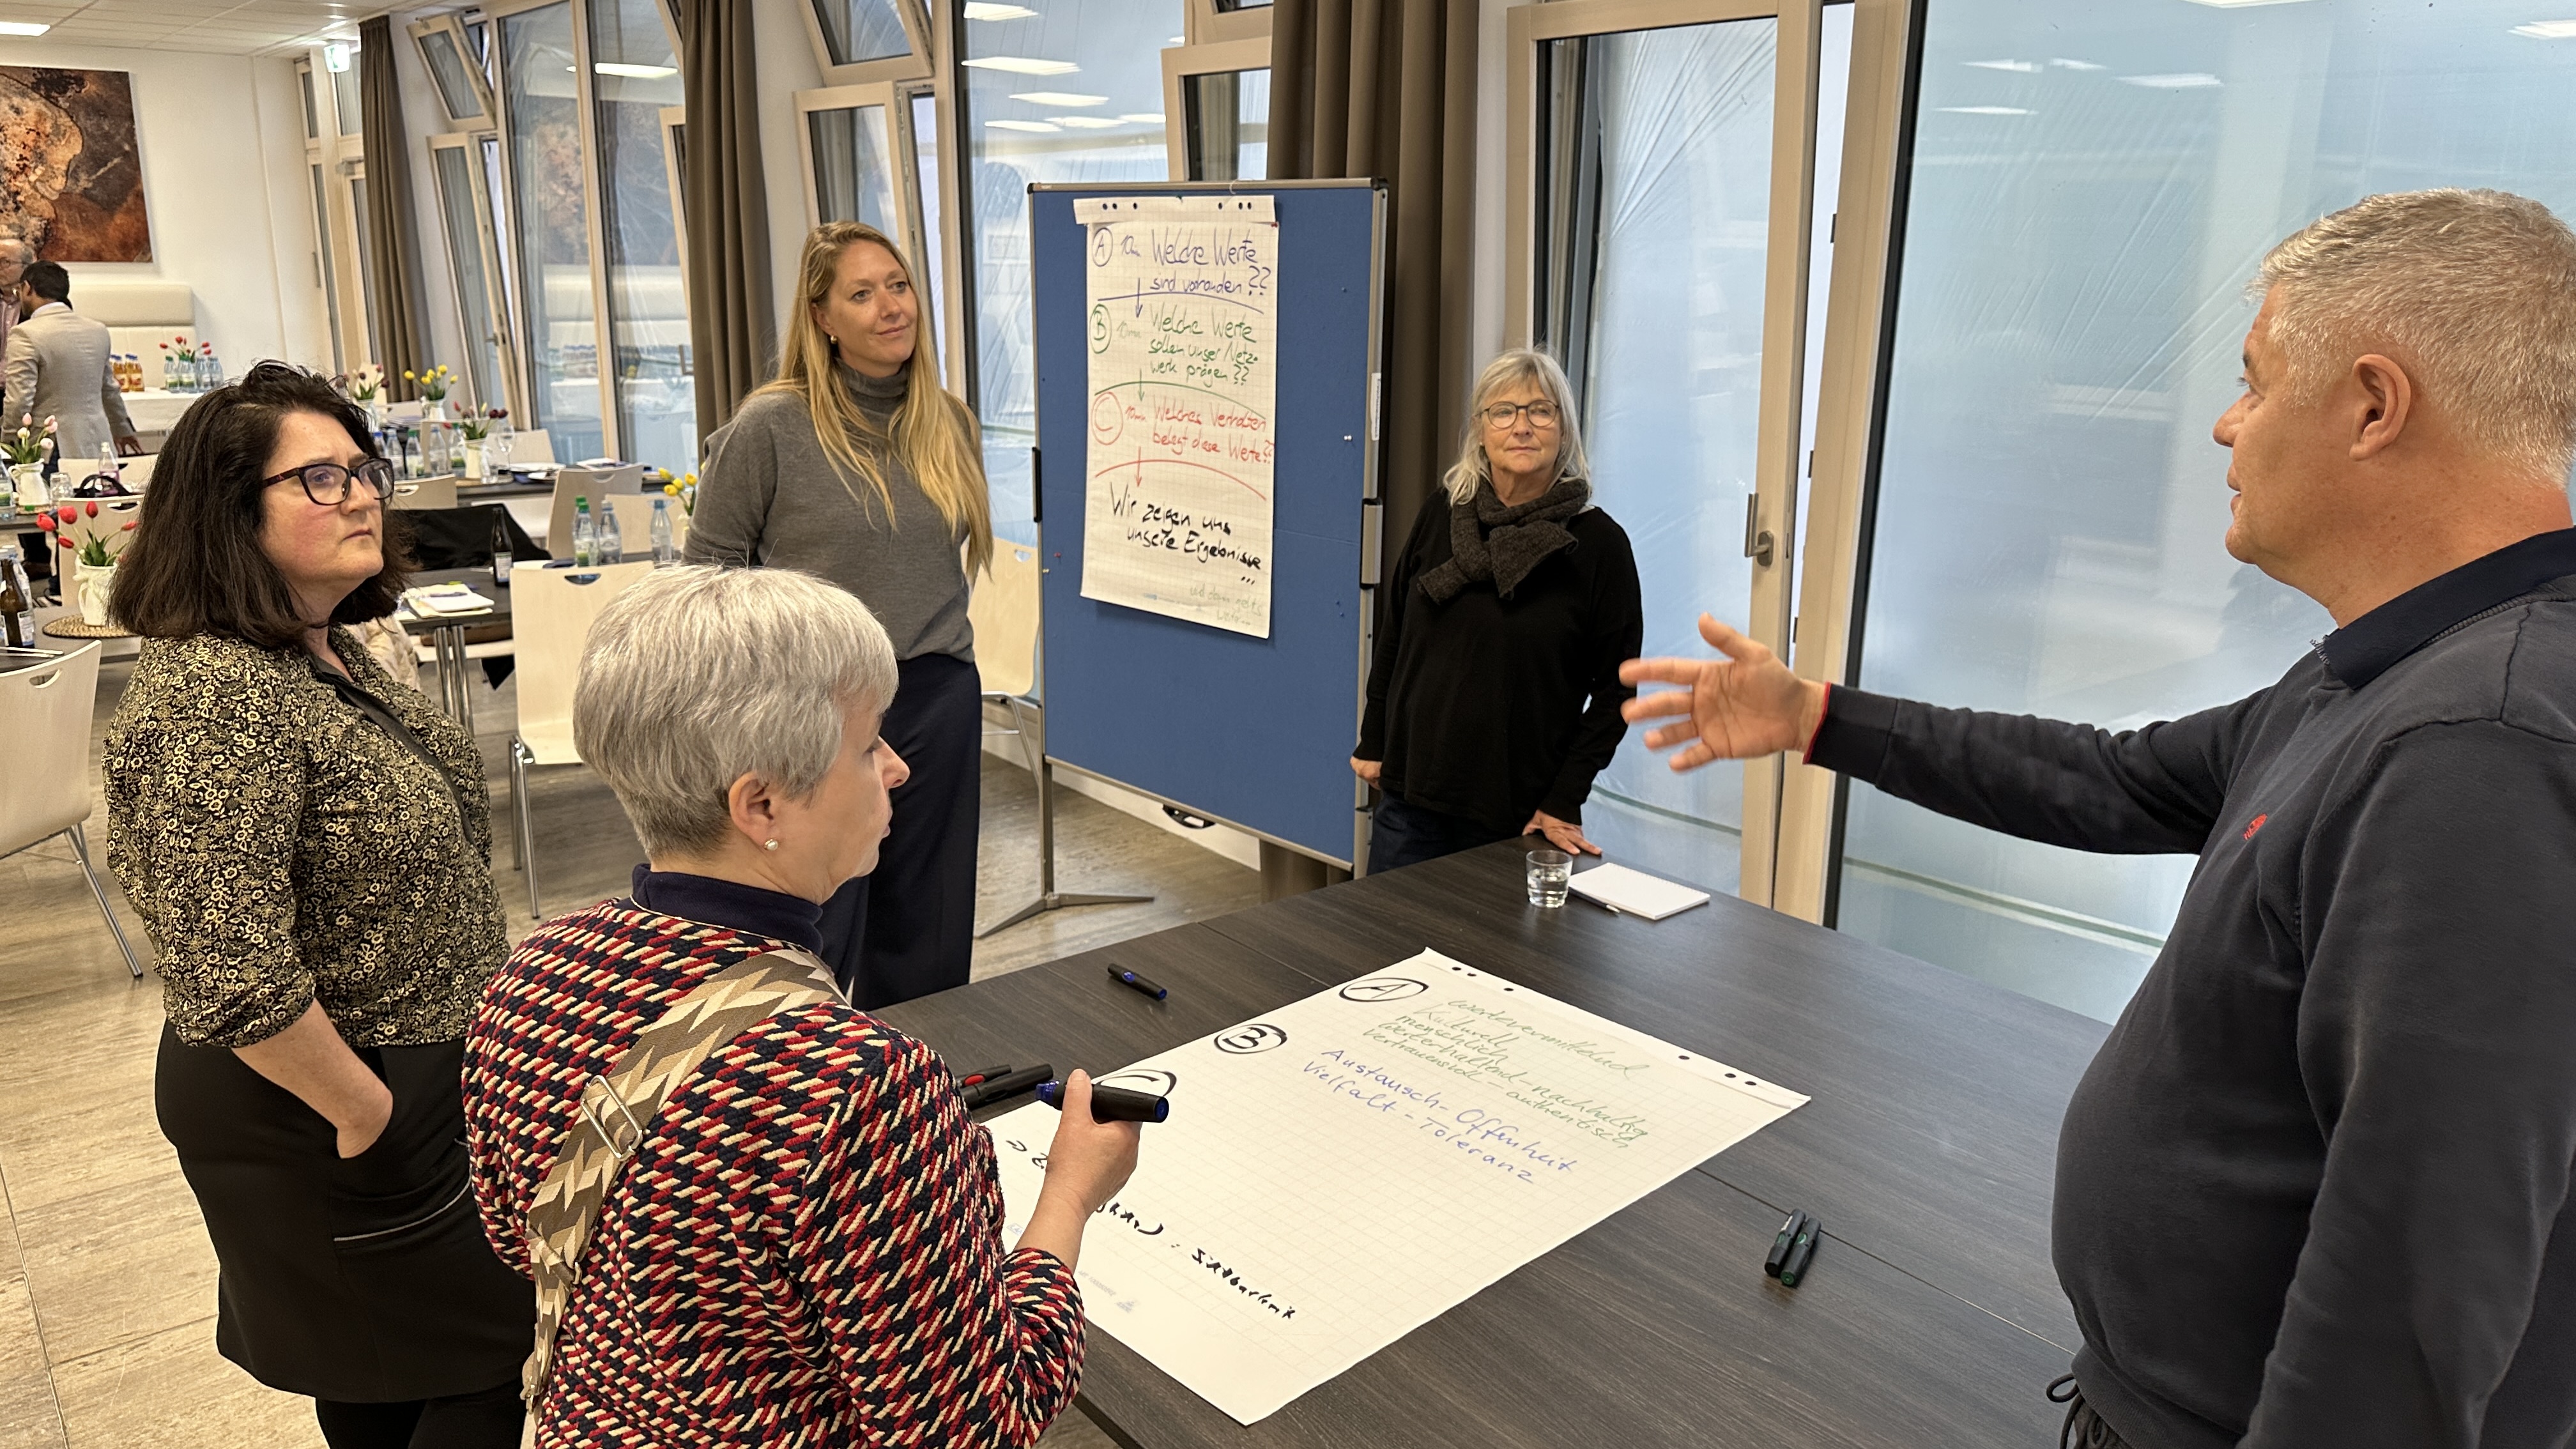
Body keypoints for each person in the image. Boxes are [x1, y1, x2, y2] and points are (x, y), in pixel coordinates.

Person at [1623, 188, 2576, 1449]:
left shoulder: (2479, 746)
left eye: (2251, 380)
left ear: (2372, 405)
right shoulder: (2382, 676)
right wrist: (1819, 719)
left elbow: (2414, 1276)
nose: (2226, 427)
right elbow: (2117, 779)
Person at [463, 564, 1140, 1445]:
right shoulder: (860, 1087)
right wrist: (1070, 1195)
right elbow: (977, 1424)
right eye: (868, 747)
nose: (898, 768)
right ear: (762, 804)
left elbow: (520, 1240)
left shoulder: (532, 974)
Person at [102, 362, 532, 1448]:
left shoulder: (320, 647)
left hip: (400, 1068)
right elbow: (226, 966)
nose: (361, 495)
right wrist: (365, 1112)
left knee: (383, 1375)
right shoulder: (213, 691)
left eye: (362, 468)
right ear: (230, 515)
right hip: (321, 1091)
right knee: (492, 1358)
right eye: (320, 477)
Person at [684, 221, 993, 1007]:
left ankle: (924, 1083)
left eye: (898, 285)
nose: (891, 307)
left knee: (931, 918)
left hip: (937, 692)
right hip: (820, 708)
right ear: (822, 317)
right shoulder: (771, 428)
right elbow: (706, 579)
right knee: (821, 917)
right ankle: (817, 1087)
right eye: (862, 293)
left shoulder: (948, 422)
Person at [1351, 348, 1643, 871]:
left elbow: (1616, 691)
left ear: (1565, 430)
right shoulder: (1443, 512)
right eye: (1503, 411)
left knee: (1498, 955)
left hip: (1517, 813)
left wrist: (1564, 797)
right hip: (1411, 796)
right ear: (1481, 430)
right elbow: (1393, 634)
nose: (1522, 427)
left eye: (1541, 410)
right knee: (1387, 949)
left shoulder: (1599, 545)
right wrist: (1374, 739)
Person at [4, 260, 139, 460]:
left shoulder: (25, 333)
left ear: (28, 288)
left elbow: (20, 399)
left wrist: (8, 441)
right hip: (98, 441)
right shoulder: (97, 330)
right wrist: (121, 428)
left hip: (52, 445)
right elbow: (109, 389)